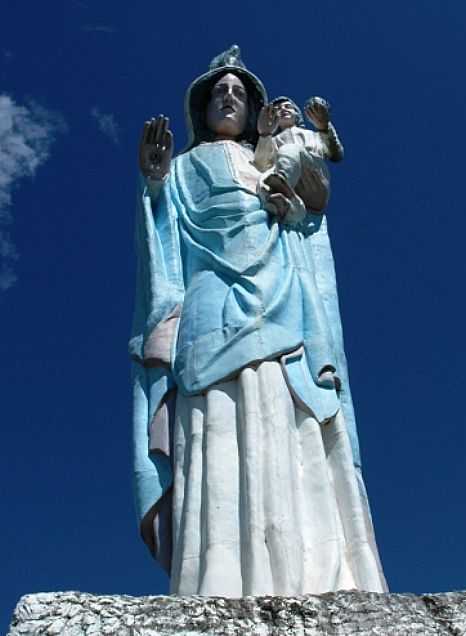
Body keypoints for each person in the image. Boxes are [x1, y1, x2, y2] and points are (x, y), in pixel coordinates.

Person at [130, 45, 387, 597]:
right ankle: (219, 580)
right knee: (216, 422)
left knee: (294, 418)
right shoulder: (181, 169)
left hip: (281, 294)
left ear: (253, 109)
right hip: (209, 303)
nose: (228, 97)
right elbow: (166, 241)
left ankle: (322, 574)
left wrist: (287, 205)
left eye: (239, 92)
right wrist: (153, 187)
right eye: (218, 91)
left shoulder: (267, 159)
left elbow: (310, 210)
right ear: (201, 109)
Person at [255, 96, 345, 225]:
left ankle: (280, 188)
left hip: (313, 180)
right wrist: (264, 135)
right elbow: (261, 165)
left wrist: (324, 127)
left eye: (287, 106)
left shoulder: (314, 135)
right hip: (292, 189)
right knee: (263, 178)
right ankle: (286, 205)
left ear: (296, 114)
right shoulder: (272, 140)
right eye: (277, 109)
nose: (283, 109)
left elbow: (336, 155)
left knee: (289, 149)